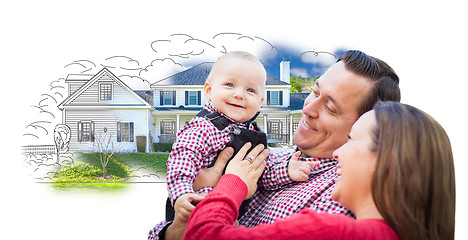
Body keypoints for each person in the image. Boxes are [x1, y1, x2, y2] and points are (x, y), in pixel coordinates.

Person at [149, 50, 401, 239]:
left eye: (330, 108)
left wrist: (228, 185)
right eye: (315, 92)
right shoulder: (277, 158)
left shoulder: (340, 197)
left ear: (367, 124)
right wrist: (174, 229)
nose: (308, 107)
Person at [184, 101, 456, 240]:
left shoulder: (331, 231)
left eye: (351, 140)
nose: (338, 154)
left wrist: (232, 182)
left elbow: (202, 236)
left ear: (386, 162)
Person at [157, 51, 318, 237]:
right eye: (229, 85)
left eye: (250, 90)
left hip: (232, 216)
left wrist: (288, 171)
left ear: (260, 103)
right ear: (209, 91)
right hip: (195, 207)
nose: (239, 94)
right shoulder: (203, 128)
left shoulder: (254, 134)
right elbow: (181, 161)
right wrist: (182, 194)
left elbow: (262, 174)